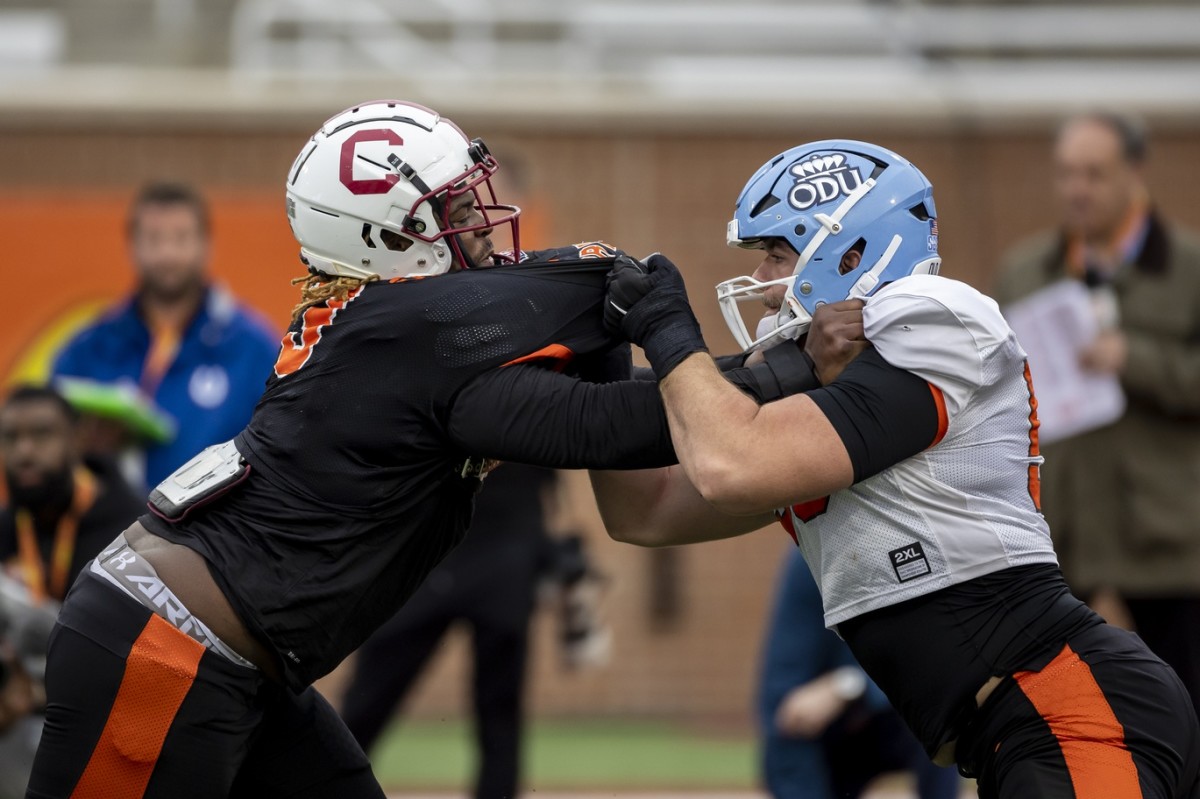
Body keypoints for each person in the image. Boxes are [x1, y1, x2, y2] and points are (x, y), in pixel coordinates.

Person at [22, 100, 831, 798]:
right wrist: (793, 364)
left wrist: (765, 368)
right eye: (452, 206)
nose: (478, 221)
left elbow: (610, 408)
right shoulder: (405, 330)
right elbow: (619, 409)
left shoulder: (402, 341)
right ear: (387, 233)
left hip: (232, 661)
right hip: (162, 646)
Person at [591, 139, 1200, 798]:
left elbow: (725, 464)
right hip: (1014, 728)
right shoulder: (817, 416)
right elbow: (644, 510)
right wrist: (594, 355)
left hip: (1072, 709)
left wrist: (668, 332)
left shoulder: (928, 315)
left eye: (775, 254)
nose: (763, 281)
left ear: (850, 253)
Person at [993, 111, 1200, 723]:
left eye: (1094, 173)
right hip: (1060, 530)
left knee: (1187, 700)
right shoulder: (1024, 272)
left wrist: (1136, 358)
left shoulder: (1188, 270)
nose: (1077, 189)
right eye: (1066, 174)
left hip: (1167, 534)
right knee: (1047, 699)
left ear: (1134, 173)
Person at [339, 465, 608, 799]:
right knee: (367, 704)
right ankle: (322, 785)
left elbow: (559, 492)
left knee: (497, 716)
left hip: (482, 557)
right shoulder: (532, 415)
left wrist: (570, 561)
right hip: (442, 558)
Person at [51, 181, 280, 490]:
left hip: (214, 534)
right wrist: (82, 447)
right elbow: (46, 450)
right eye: (154, 239)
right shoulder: (89, 347)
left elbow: (281, 453)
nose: (168, 253)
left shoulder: (254, 348)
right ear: (131, 246)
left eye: (181, 238)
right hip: (106, 534)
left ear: (207, 245)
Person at [0, 385, 144, 799]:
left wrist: (33, 699)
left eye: (42, 434)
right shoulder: (6, 529)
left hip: (113, 729)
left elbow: (136, 663)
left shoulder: (132, 530)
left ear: (77, 439)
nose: (24, 451)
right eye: (10, 438)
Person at [758, 548, 960, 799]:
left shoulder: (921, 543)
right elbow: (780, 693)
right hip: (833, 734)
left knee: (941, 706)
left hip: (893, 718)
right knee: (794, 717)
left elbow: (939, 666)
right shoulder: (809, 554)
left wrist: (851, 685)